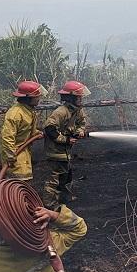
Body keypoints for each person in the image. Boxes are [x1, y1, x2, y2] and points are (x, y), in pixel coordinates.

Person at [43, 80, 89, 210]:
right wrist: (66, 140)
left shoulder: (77, 111)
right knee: (55, 178)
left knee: (66, 176)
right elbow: (49, 128)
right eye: (79, 97)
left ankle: (63, 198)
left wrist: (80, 131)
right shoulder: (60, 112)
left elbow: (81, 123)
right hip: (55, 151)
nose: (81, 99)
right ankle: (49, 204)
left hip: (65, 152)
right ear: (71, 98)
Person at [0, 81, 45, 181]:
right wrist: (10, 156)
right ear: (28, 98)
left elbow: (26, 129)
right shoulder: (15, 113)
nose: (39, 98)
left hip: (23, 152)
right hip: (15, 154)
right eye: (37, 96)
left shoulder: (28, 110)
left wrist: (36, 133)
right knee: (17, 182)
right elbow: (7, 137)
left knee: (25, 181)